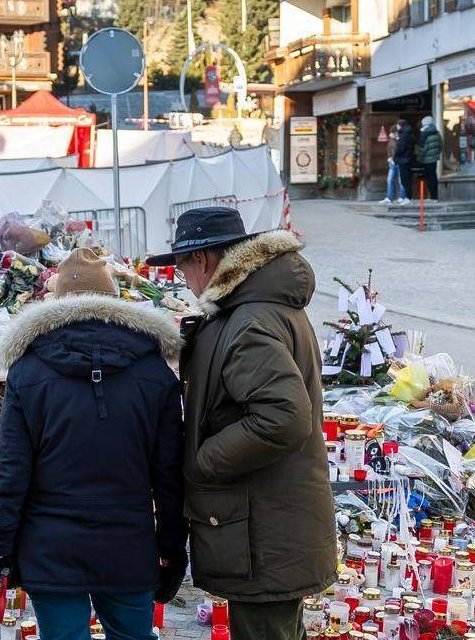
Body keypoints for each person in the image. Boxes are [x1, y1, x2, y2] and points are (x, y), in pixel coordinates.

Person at [147, 208, 335, 640]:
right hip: (265, 523)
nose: (182, 279)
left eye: (181, 267)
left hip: (262, 532)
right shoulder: (253, 309)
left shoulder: (248, 321)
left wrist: (202, 462)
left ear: (205, 261)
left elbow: (282, 417)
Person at [0, 247, 187, 640]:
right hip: (128, 545)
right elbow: (170, 475)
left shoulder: (30, 369)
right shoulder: (152, 369)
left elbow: (10, 470)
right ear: (114, 302)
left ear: (57, 305)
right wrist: (173, 549)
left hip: (51, 547)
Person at [386, 121, 413, 204]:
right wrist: (390, 158)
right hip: (394, 161)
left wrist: (396, 139)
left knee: (402, 180)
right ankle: (389, 197)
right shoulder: (393, 139)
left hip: (400, 160)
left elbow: (400, 148)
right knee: (390, 179)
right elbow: (389, 149)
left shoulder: (403, 136)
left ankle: (403, 197)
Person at [416, 116, 442, 200]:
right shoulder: (437, 133)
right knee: (433, 177)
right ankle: (435, 196)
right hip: (434, 159)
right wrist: (436, 154)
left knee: (429, 178)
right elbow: (441, 146)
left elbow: (422, 149)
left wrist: (419, 160)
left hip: (426, 160)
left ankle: (432, 196)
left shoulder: (424, 134)